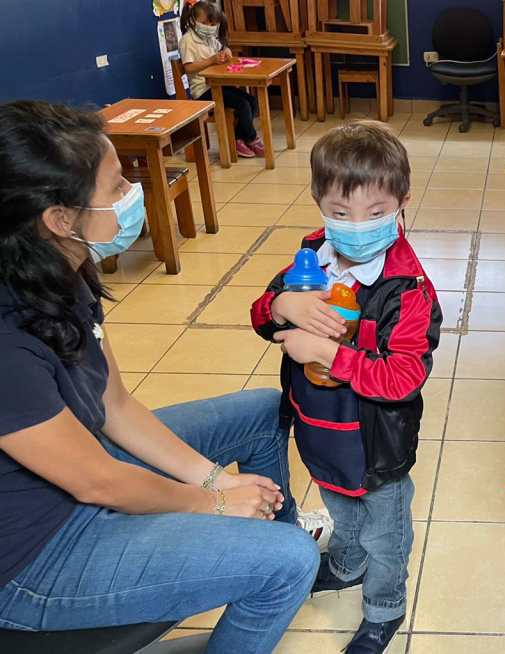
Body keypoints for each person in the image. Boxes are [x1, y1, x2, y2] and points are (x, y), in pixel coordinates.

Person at [0, 101, 336, 651]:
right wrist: (213, 504)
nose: (131, 193)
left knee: (260, 411)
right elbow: (97, 482)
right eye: (116, 187)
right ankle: (271, 561)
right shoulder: (6, 340)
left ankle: (265, 539)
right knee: (289, 563)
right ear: (58, 218)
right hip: (34, 558)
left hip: (80, 474)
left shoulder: (62, 267)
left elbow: (114, 406)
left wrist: (214, 480)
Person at [250, 121, 442, 654]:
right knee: (338, 504)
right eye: (340, 212)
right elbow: (261, 316)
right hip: (321, 430)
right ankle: (346, 563)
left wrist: (329, 353)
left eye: (375, 212)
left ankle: (384, 607)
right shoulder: (311, 257)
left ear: (401, 204)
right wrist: (281, 304)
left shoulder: (408, 290)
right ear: (318, 203)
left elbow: (403, 378)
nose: (356, 226)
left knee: (385, 533)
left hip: (375, 447)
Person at [178, 0, 265, 158]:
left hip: (218, 85)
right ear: (193, 21)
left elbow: (222, 49)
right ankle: (251, 138)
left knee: (251, 101)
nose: (209, 27)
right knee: (243, 105)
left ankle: (238, 138)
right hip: (203, 91)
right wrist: (211, 60)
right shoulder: (187, 40)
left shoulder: (209, 38)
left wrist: (227, 52)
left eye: (212, 24)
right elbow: (188, 67)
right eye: (205, 23)